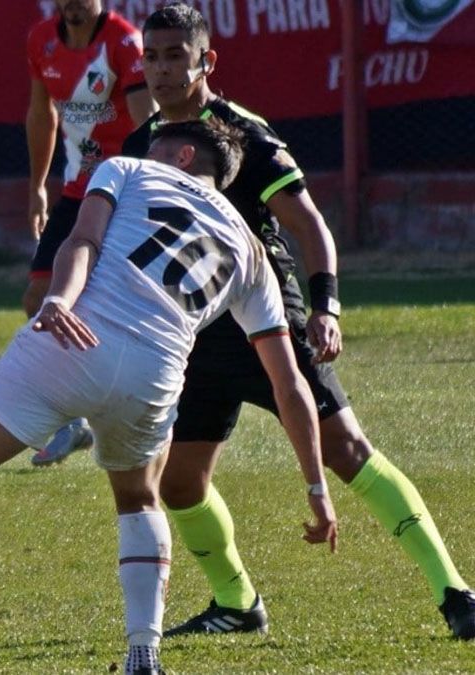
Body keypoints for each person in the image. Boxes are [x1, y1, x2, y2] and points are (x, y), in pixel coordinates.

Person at [0, 119, 338, 675]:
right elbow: (290, 383)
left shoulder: (127, 169)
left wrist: (57, 299)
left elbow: (82, 241)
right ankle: (143, 653)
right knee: (139, 500)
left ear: (181, 155)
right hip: (153, 371)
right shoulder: (252, 252)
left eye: (155, 146)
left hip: (70, 339)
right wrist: (316, 489)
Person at [122, 3, 475, 640]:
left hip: (267, 324)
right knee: (178, 483)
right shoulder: (139, 146)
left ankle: (456, 593)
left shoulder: (244, 135)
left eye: (176, 55)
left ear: (206, 61)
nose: (162, 69)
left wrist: (325, 307)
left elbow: (310, 225)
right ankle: (238, 602)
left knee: (346, 451)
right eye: (152, 57)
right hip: (196, 333)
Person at [23, 0, 156, 465]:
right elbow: (42, 114)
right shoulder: (41, 40)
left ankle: (144, 405)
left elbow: (147, 125)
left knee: (121, 300)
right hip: (78, 186)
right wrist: (37, 186)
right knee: (38, 297)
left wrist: (145, 195)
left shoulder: (123, 42)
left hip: (122, 188)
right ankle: (73, 420)